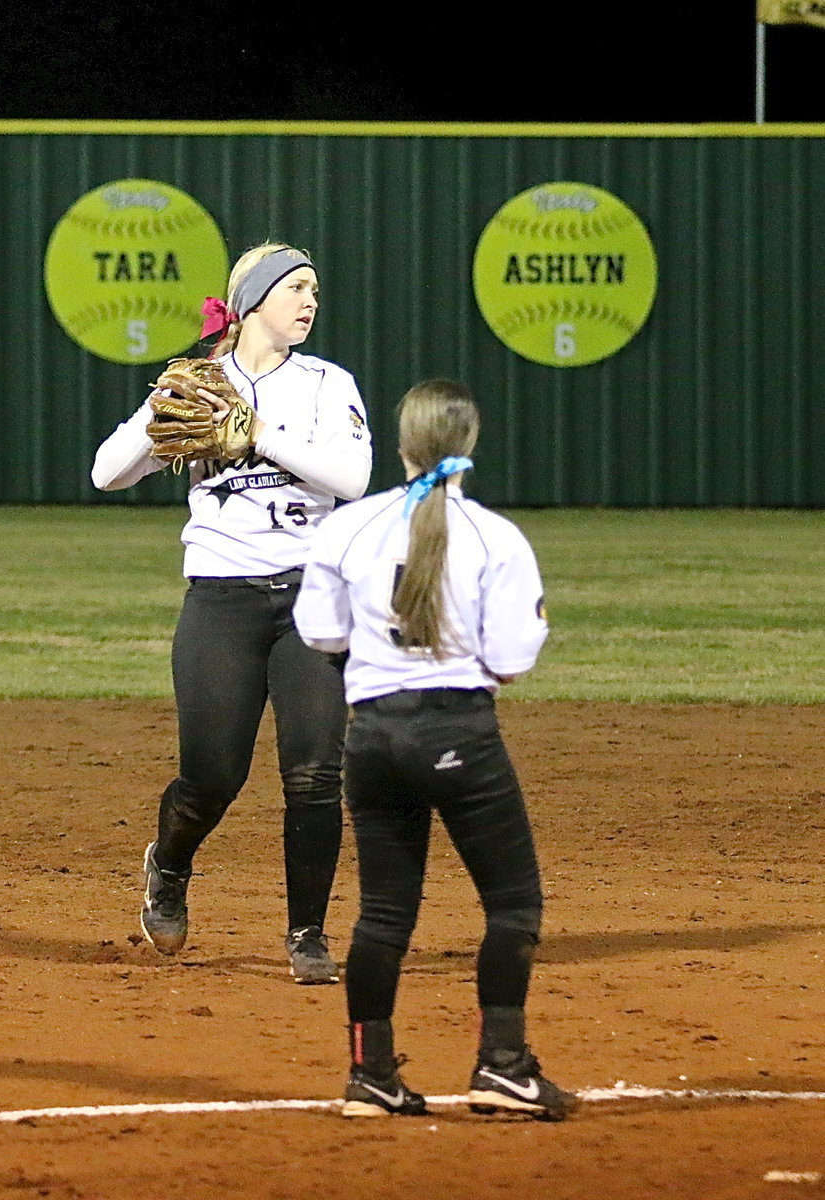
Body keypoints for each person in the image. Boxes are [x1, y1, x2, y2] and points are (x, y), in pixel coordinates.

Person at [293, 379, 578, 1117]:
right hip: (457, 734)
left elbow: (320, 636)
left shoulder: (347, 527)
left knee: (383, 915)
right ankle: (502, 1068)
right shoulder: (495, 537)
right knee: (512, 905)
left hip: (373, 737)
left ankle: (370, 1077)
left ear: (402, 445)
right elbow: (511, 658)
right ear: (467, 444)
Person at [91, 242, 373, 984]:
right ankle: (170, 864)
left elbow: (352, 476)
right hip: (219, 601)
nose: (309, 301)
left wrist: (258, 433)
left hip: (312, 598)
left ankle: (307, 934)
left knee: (315, 773)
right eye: (295, 288)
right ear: (250, 301)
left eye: (315, 288)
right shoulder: (199, 385)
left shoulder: (325, 383)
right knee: (212, 777)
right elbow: (106, 473)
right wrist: (156, 417)